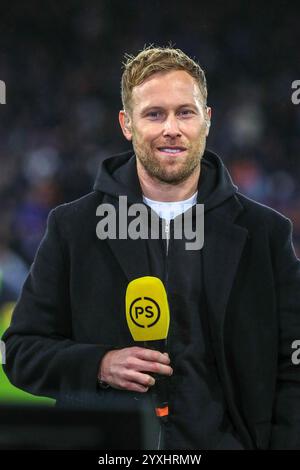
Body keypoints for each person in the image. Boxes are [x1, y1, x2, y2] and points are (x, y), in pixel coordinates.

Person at [3, 45, 300, 450]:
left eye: (185, 112)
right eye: (154, 114)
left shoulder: (265, 233)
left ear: (207, 120)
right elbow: (19, 352)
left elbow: (292, 365)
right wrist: (100, 364)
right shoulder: (74, 228)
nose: (171, 128)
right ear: (127, 124)